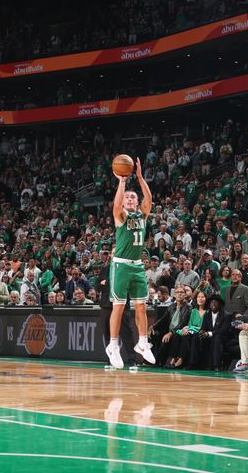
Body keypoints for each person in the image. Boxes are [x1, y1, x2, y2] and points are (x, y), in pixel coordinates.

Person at [105, 158, 155, 369]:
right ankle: (113, 345)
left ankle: (142, 343)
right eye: (127, 197)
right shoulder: (121, 216)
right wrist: (122, 182)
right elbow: (116, 205)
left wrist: (141, 179)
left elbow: (149, 200)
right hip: (121, 265)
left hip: (137, 265)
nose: (130, 199)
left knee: (141, 306)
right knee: (119, 306)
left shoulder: (142, 215)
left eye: (133, 197)